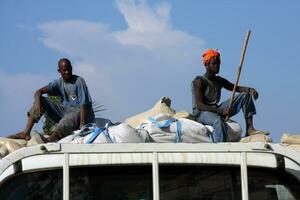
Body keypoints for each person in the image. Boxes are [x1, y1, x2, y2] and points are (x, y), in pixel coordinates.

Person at [7, 58, 95, 142]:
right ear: (59, 71)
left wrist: (82, 125)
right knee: (42, 100)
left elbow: (84, 104)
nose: (67, 72)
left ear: (71, 68)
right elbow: (38, 92)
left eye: (69, 69)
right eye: (64, 70)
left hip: (80, 114)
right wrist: (38, 103)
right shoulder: (58, 83)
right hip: (66, 112)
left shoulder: (79, 81)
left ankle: (52, 137)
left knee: (71, 115)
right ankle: (26, 132)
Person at [192, 49, 268, 142]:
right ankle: (220, 148)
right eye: (214, 63)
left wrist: (249, 90)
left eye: (219, 63)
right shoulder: (199, 81)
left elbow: (236, 88)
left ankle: (250, 129)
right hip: (202, 113)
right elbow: (199, 105)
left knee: (245, 95)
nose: (217, 66)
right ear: (207, 65)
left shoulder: (219, 80)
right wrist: (220, 111)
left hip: (216, 110)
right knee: (218, 122)